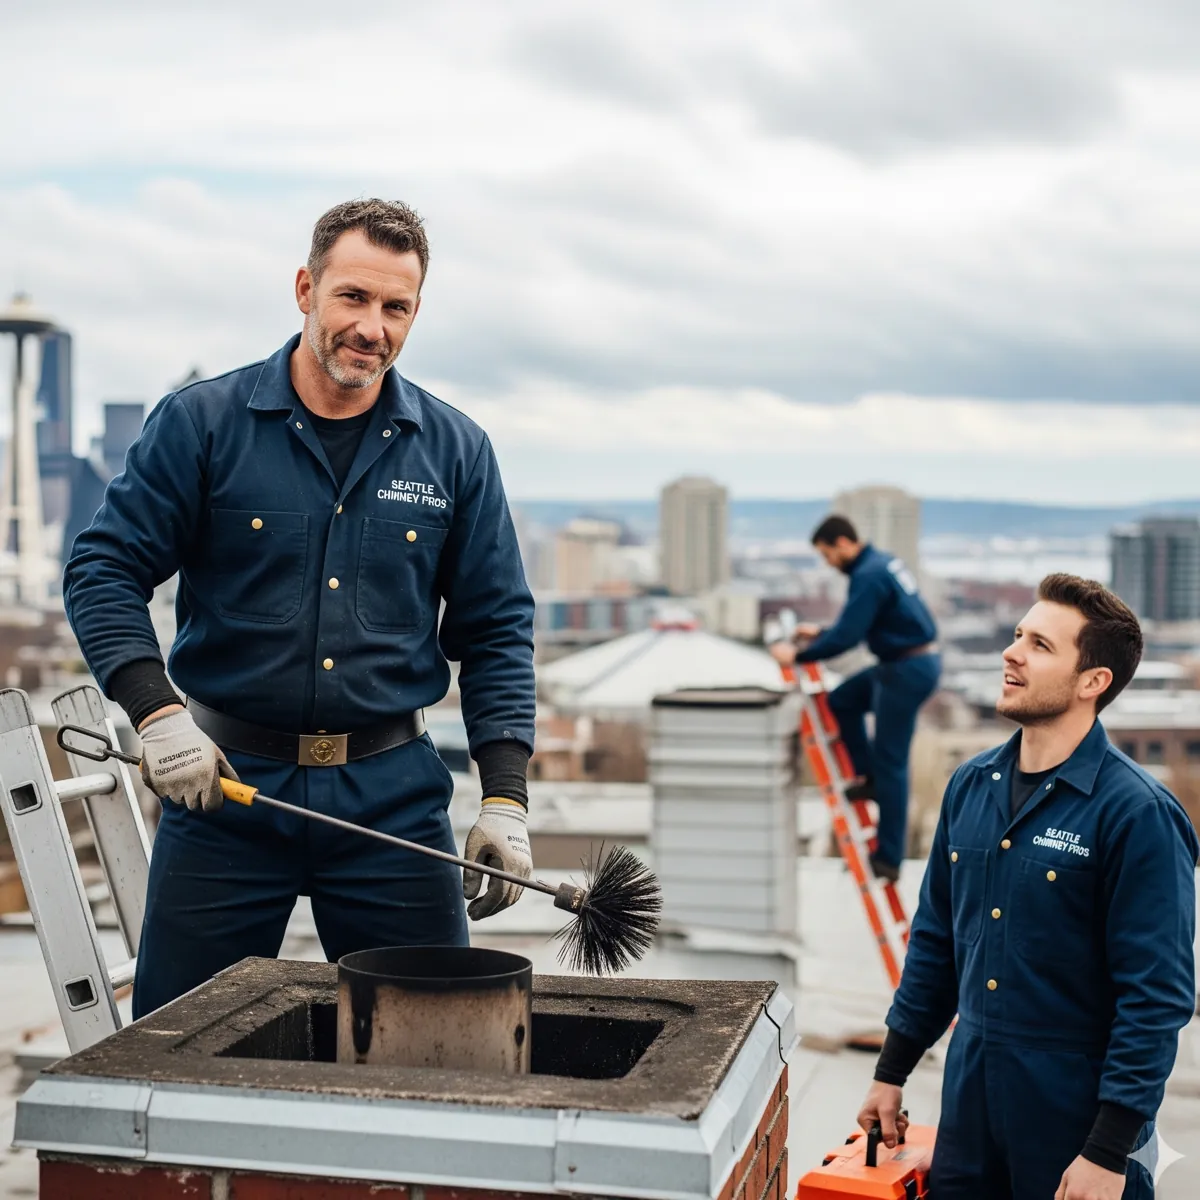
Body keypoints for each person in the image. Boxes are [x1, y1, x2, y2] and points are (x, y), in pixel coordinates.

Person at [63, 198, 537, 1018]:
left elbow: (496, 631)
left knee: (428, 1045)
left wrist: (505, 796)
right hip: (223, 794)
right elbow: (102, 568)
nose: (372, 327)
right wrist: (157, 716)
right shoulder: (203, 424)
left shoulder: (455, 450)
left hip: (391, 800)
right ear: (305, 288)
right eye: (353, 297)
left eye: (397, 308)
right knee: (177, 1042)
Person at [856, 574, 1198, 1200]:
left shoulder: (1136, 813)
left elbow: (1156, 997)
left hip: (1076, 1123)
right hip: (969, 1111)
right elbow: (935, 943)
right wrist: (891, 1072)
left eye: (1040, 645)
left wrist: (1107, 1150)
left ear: (1093, 682)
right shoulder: (969, 786)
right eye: (1017, 635)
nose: (1012, 653)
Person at [769, 515, 940, 881]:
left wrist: (797, 656)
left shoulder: (869, 575)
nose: (828, 563)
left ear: (843, 543)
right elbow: (861, 624)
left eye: (827, 554)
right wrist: (821, 633)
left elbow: (848, 637)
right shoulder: (880, 564)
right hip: (902, 662)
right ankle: (870, 775)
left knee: (892, 762)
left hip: (906, 670)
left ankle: (889, 857)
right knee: (842, 701)